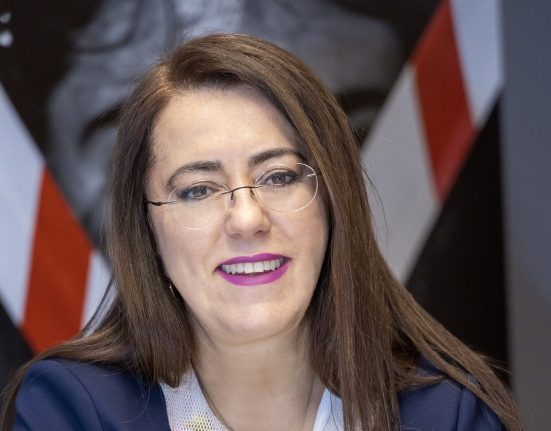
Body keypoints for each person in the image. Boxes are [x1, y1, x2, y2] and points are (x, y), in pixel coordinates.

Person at [1, 34, 522, 430]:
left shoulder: (448, 414)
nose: (248, 219)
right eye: (198, 189)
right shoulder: (69, 410)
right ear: (147, 228)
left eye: (278, 177)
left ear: (334, 202)